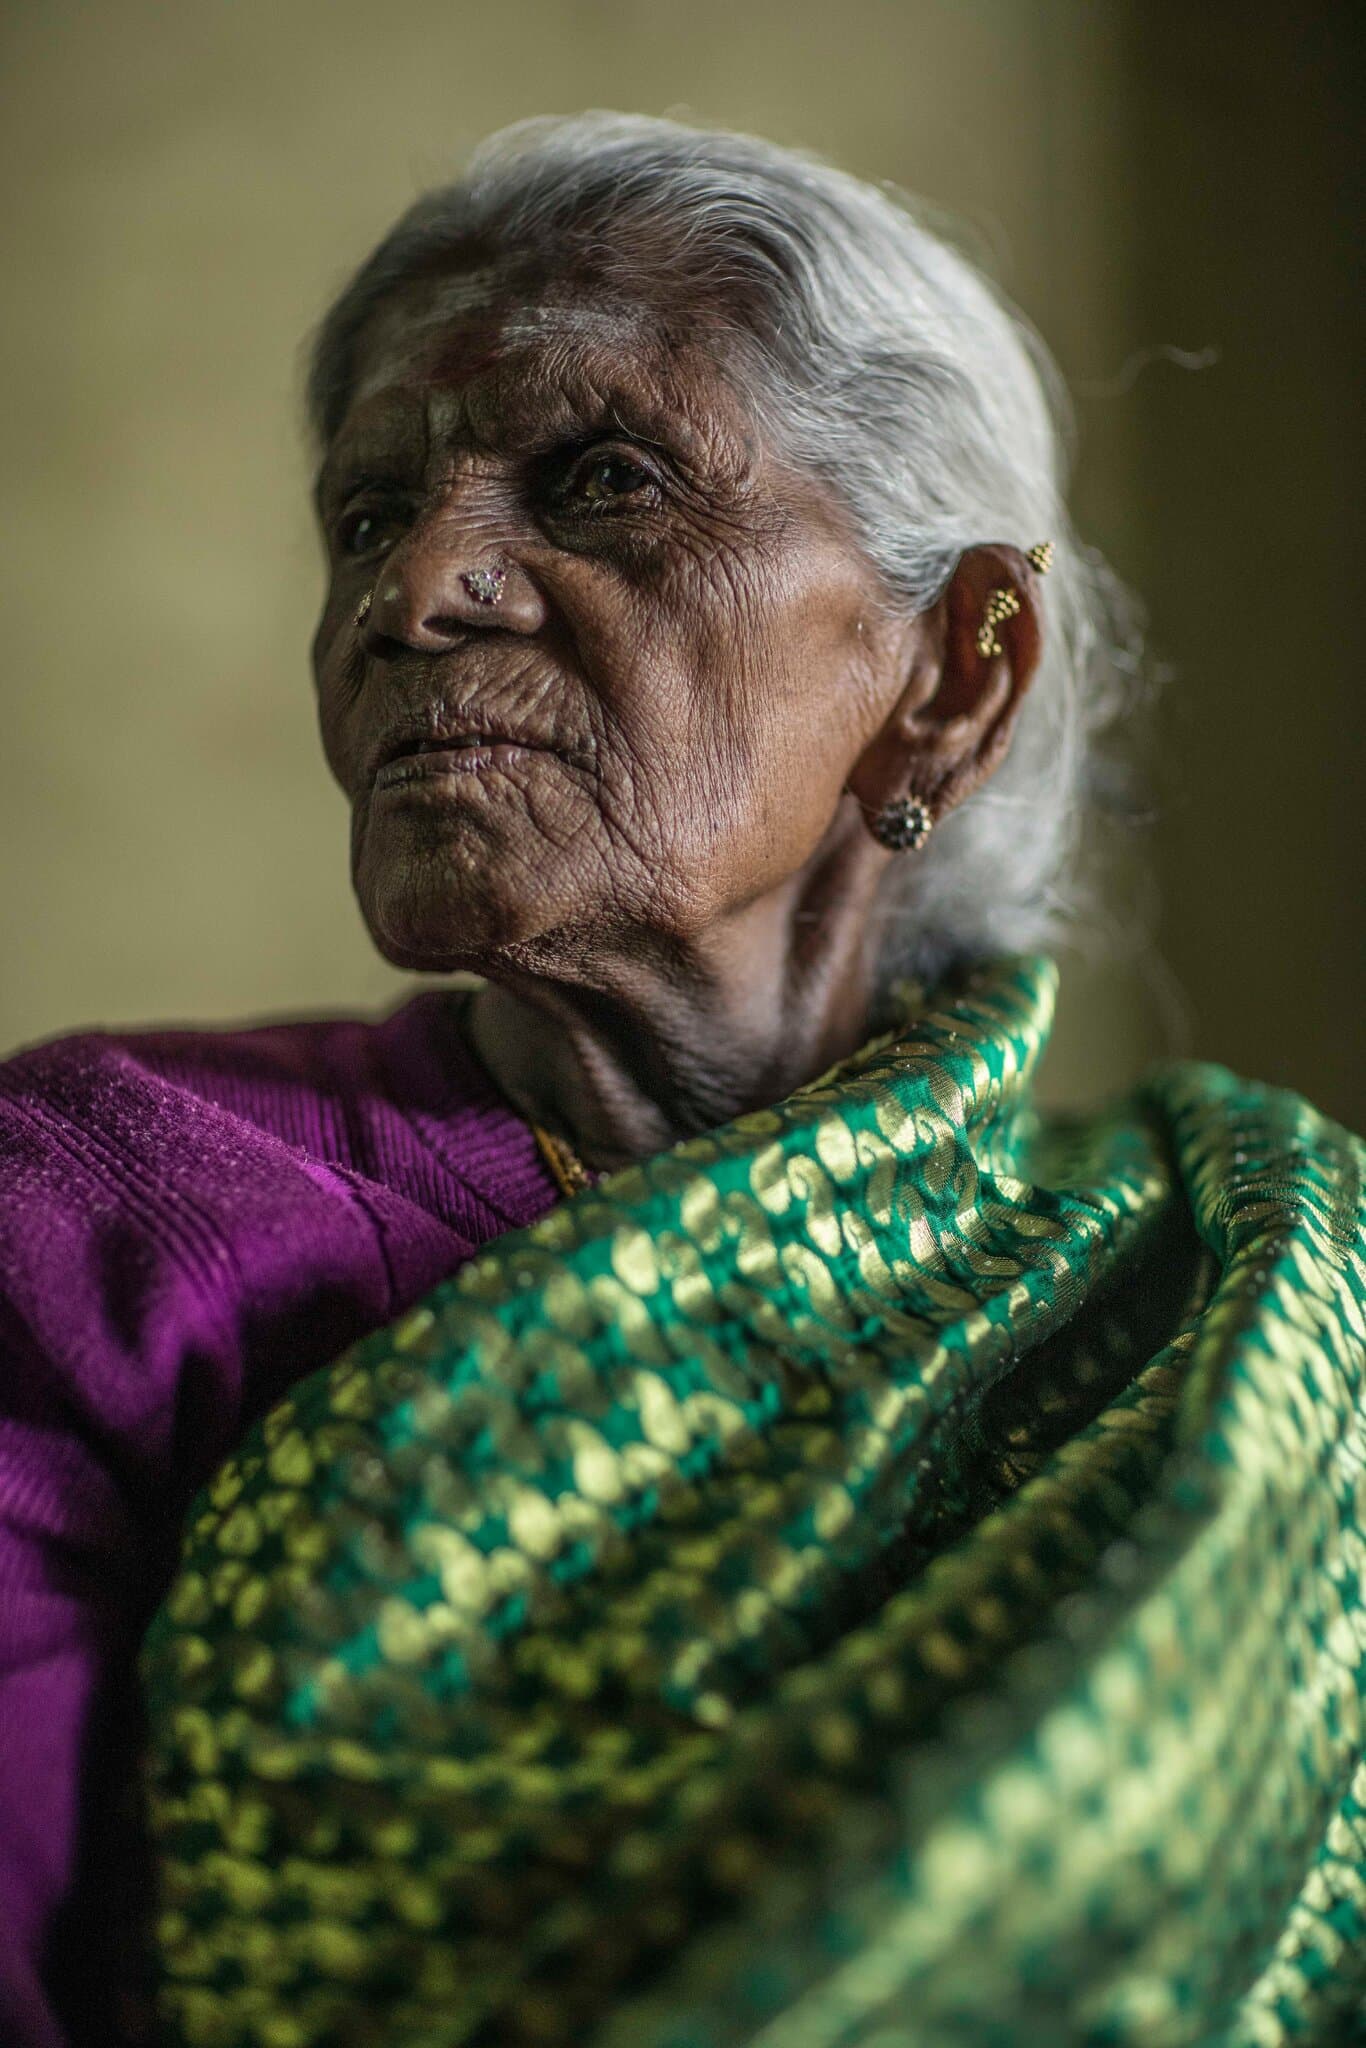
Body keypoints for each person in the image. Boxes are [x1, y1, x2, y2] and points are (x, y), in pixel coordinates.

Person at [1, 115, 1361, 2048]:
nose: (417, 594)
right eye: (370, 517)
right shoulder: (101, 1203)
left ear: (954, 674)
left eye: (604, 477)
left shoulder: (1211, 1303)